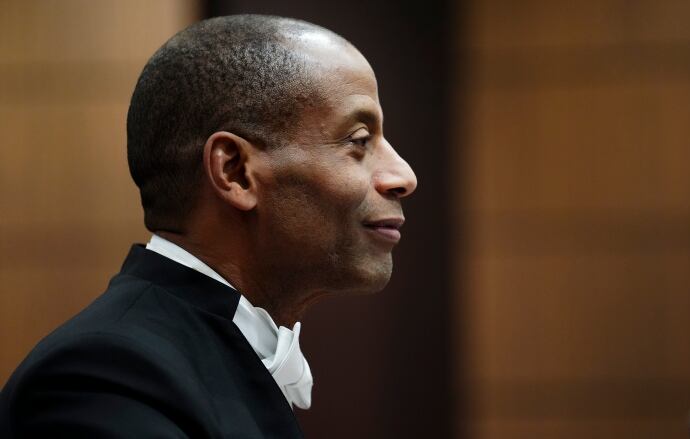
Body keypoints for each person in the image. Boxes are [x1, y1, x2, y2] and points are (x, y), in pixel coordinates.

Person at [0, 14, 416, 438]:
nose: (403, 176)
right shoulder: (101, 376)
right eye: (359, 141)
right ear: (235, 172)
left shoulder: (193, 348)